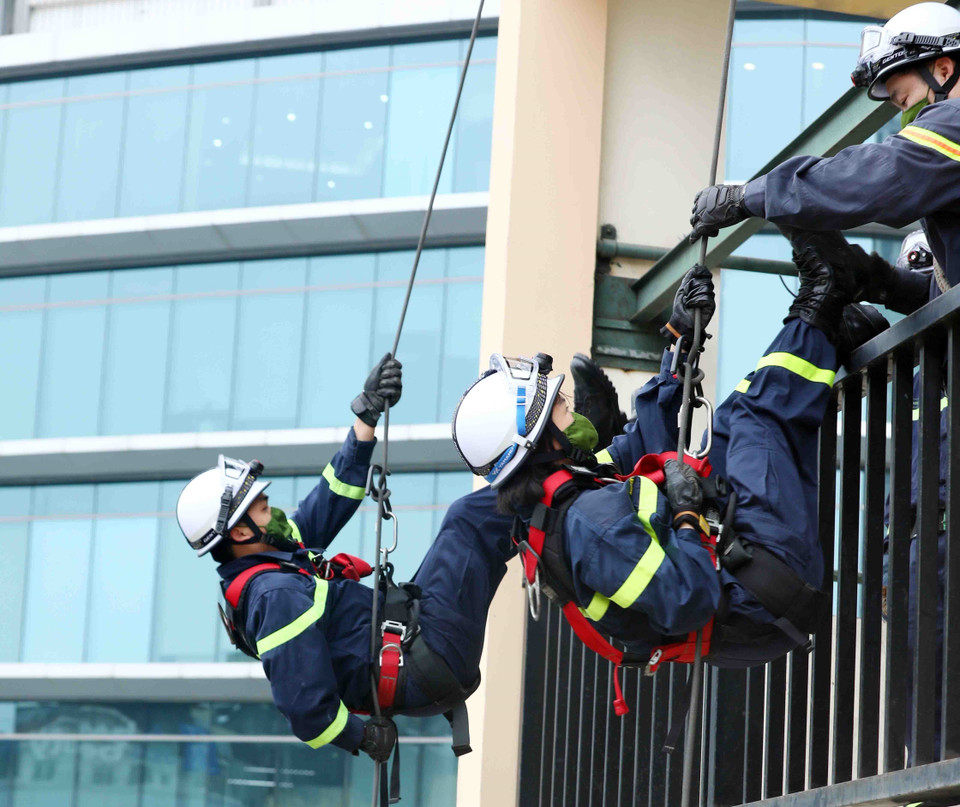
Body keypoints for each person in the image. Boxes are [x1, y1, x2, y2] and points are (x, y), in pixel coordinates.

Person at [452, 234, 887, 670]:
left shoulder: (568, 494)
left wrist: (678, 341)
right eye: (559, 408)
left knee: (730, 422)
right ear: (539, 441)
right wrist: (685, 513)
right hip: (761, 595)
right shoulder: (589, 525)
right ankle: (822, 300)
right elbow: (689, 600)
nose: (568, 407)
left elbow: (645, 446)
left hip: (749, 585)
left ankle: (828, 333)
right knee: (752, 419)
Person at [689, 2, 960, 290]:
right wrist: (879, 281)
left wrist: (747, 197)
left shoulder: (954, 122)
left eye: (904, 100)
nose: (906, 118)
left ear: (944, 71)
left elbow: (877, 175)